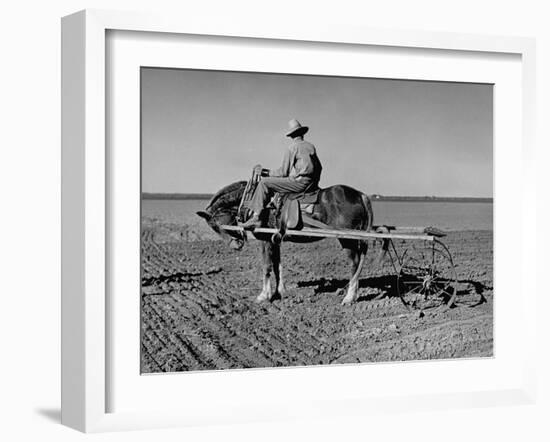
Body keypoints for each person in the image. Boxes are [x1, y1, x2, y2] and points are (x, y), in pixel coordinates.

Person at [240, 119, 323, 229]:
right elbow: (319, 167)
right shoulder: (310, 146)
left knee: (264, 183)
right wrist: (313, 183)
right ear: (302, 133)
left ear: (291, 136)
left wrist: (265, 172)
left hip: (300, 183)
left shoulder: (292, 148)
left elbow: (284, 173)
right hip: (311, 183)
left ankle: (256, 217)